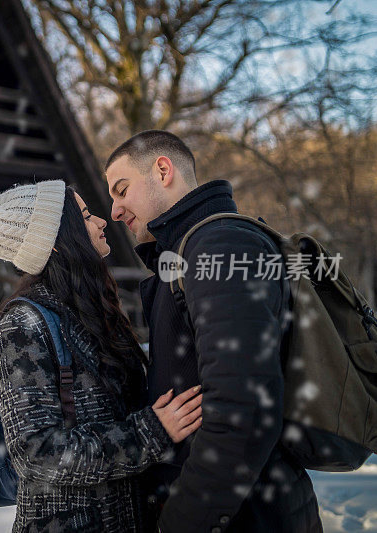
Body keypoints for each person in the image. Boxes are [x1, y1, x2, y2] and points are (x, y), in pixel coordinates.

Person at [0, 180, 202, 532]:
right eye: (86, 216)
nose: (102, 221)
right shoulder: (21, 326)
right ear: (56, 240)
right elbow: (38, 453)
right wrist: (149, 433)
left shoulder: (88, 309)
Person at [105, 130, 323, 532]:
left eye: (122, 190)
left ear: (163, 170)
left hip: (249, 517)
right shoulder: (188, 253)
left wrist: (182, 521)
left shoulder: (220, 247)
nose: (115, 211)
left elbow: (242, 412)